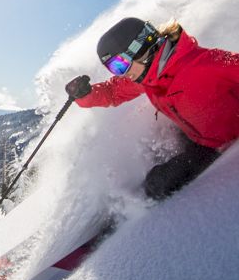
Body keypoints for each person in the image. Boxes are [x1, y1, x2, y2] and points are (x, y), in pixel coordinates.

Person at [65, 17, 239, 200]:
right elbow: (113, 92)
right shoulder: (148, 77)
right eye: (114, 69)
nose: (123, 75)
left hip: (218, 144)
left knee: (158, 183)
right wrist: (85, 95)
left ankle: (139, 211)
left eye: (120, 65)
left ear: (138, 49)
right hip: (195, 135)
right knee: (153, 155)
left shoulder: (205, 64)